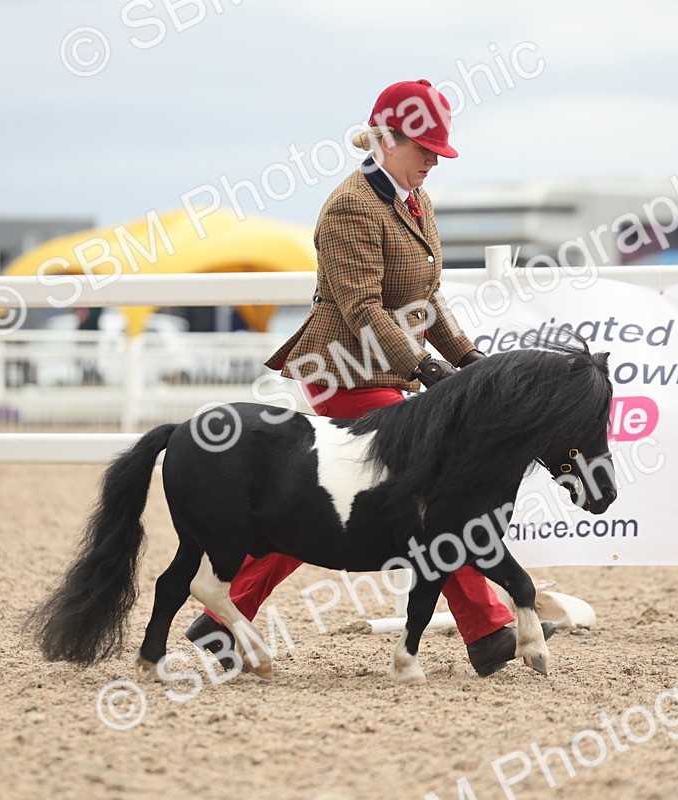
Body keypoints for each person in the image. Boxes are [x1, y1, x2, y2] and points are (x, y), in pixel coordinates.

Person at [184, 79, 554, 676]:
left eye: (438, 152)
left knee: (330, 506)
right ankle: (487, 626)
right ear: (386, 138)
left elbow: (425, 301)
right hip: (342, 366)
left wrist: (468, 362)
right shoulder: (351, 205)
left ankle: (224, 617)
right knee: (433, 492)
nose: (433, 162)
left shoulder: (416, 202)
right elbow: (361, 308)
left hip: (390, 369)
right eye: (424, 149)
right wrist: (425, 368)